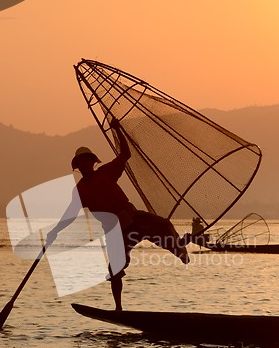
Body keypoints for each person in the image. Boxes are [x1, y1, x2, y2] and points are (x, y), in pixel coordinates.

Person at [46, 119, 189, 310]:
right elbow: (70, 214)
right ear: (78, 167)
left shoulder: (106, 172)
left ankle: (180, 251)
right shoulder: (80, 190)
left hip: (132, 217)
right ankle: (118, 308)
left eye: (86, 162)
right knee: (115, 270)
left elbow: (125, 154)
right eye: (80, 164)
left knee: (163, 225)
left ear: (92, 162)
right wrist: (55, 231)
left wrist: (118, 129)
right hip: (115, 231)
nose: (83, 166)